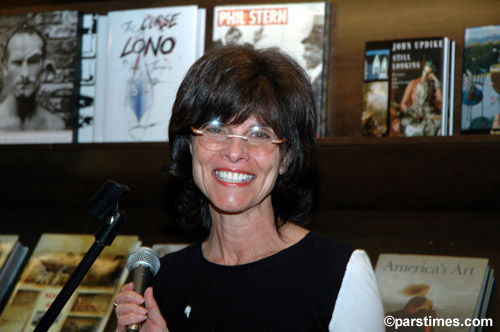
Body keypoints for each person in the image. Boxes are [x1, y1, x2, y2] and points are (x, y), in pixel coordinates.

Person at [114, 44, 385, 332]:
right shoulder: (161, 282)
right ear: (190, 146)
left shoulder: (339, 273)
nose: (234, 151)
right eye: (216, 129)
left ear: (286, 158)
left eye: (259, 134)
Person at [0, 25, 65, 131]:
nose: (25, 74)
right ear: (5, 69)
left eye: (33, 62)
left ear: (44, 68)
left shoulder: (55, 126)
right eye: (17, 62)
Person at [395, 61, 443, 136]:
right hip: (414, 114)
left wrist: (436, 81)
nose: (425, 75)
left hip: (428, 115)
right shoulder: (413, 83)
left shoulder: (433, 85)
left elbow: (440, 104)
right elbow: (403, 104)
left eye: (428, 73)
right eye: (424, 71)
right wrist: (410, 112)